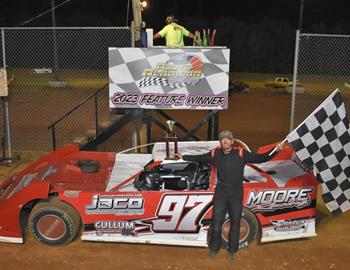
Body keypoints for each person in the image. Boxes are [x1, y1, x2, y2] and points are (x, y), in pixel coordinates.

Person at [175, 131, 284, 261]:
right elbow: (200, 158)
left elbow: (261, 158)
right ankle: (214, 249)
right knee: (216, 222)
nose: (225, 141)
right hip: (221, 191)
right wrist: (183, 157)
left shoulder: (241, 153)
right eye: (222, 139)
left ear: (232, 141)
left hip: (236, 191)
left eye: (227, 139)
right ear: (220, 142)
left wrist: (276, 149)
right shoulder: (215, 154)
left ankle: (233, 251)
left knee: (235, 222)